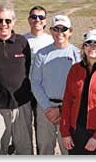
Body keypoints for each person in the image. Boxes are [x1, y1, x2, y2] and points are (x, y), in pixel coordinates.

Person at [0, 2, 33, 155]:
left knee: (24, 148)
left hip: (21, 104)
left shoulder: (22, 42)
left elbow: (27, 69)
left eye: (8, 20)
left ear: (14, 22)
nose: (4, 24)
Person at [30, 15, 80, 155]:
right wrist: (47, 107)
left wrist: (61, 109)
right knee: (45, 147)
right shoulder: (42, 54)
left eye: (63, 29)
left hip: (69, 109)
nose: (60, 33)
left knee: (68, 148)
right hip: (45, 108)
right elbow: (35, 82)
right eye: (56, 29)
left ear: (70, 31)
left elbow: (79, 87)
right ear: (51, 31)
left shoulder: (77, 54)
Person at [24, 5, 54, 154]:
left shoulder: (51, 40)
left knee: (43, 129)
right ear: (29, 20)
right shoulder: (22, 40)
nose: (37, 20)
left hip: (44, 90)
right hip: (25, 90)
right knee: (24, 127)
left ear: (45, 21)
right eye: (34, 17)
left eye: (41, 17)